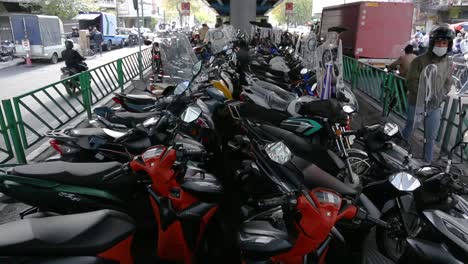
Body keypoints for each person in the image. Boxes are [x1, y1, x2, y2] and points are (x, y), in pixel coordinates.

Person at [401, 25, 455, 163]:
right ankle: (398, 154)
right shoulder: (419, 61)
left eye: (444, 43)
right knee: (409, 130)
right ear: (432, 43)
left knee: (431, 137)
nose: (441, 45)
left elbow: (448, 83)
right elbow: (411, 82)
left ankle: (427, 162)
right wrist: (425, 95)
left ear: (448, 45)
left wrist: (439, 97)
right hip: (417, 103)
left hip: (435, 106)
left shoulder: (449, 63)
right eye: (438, 42)